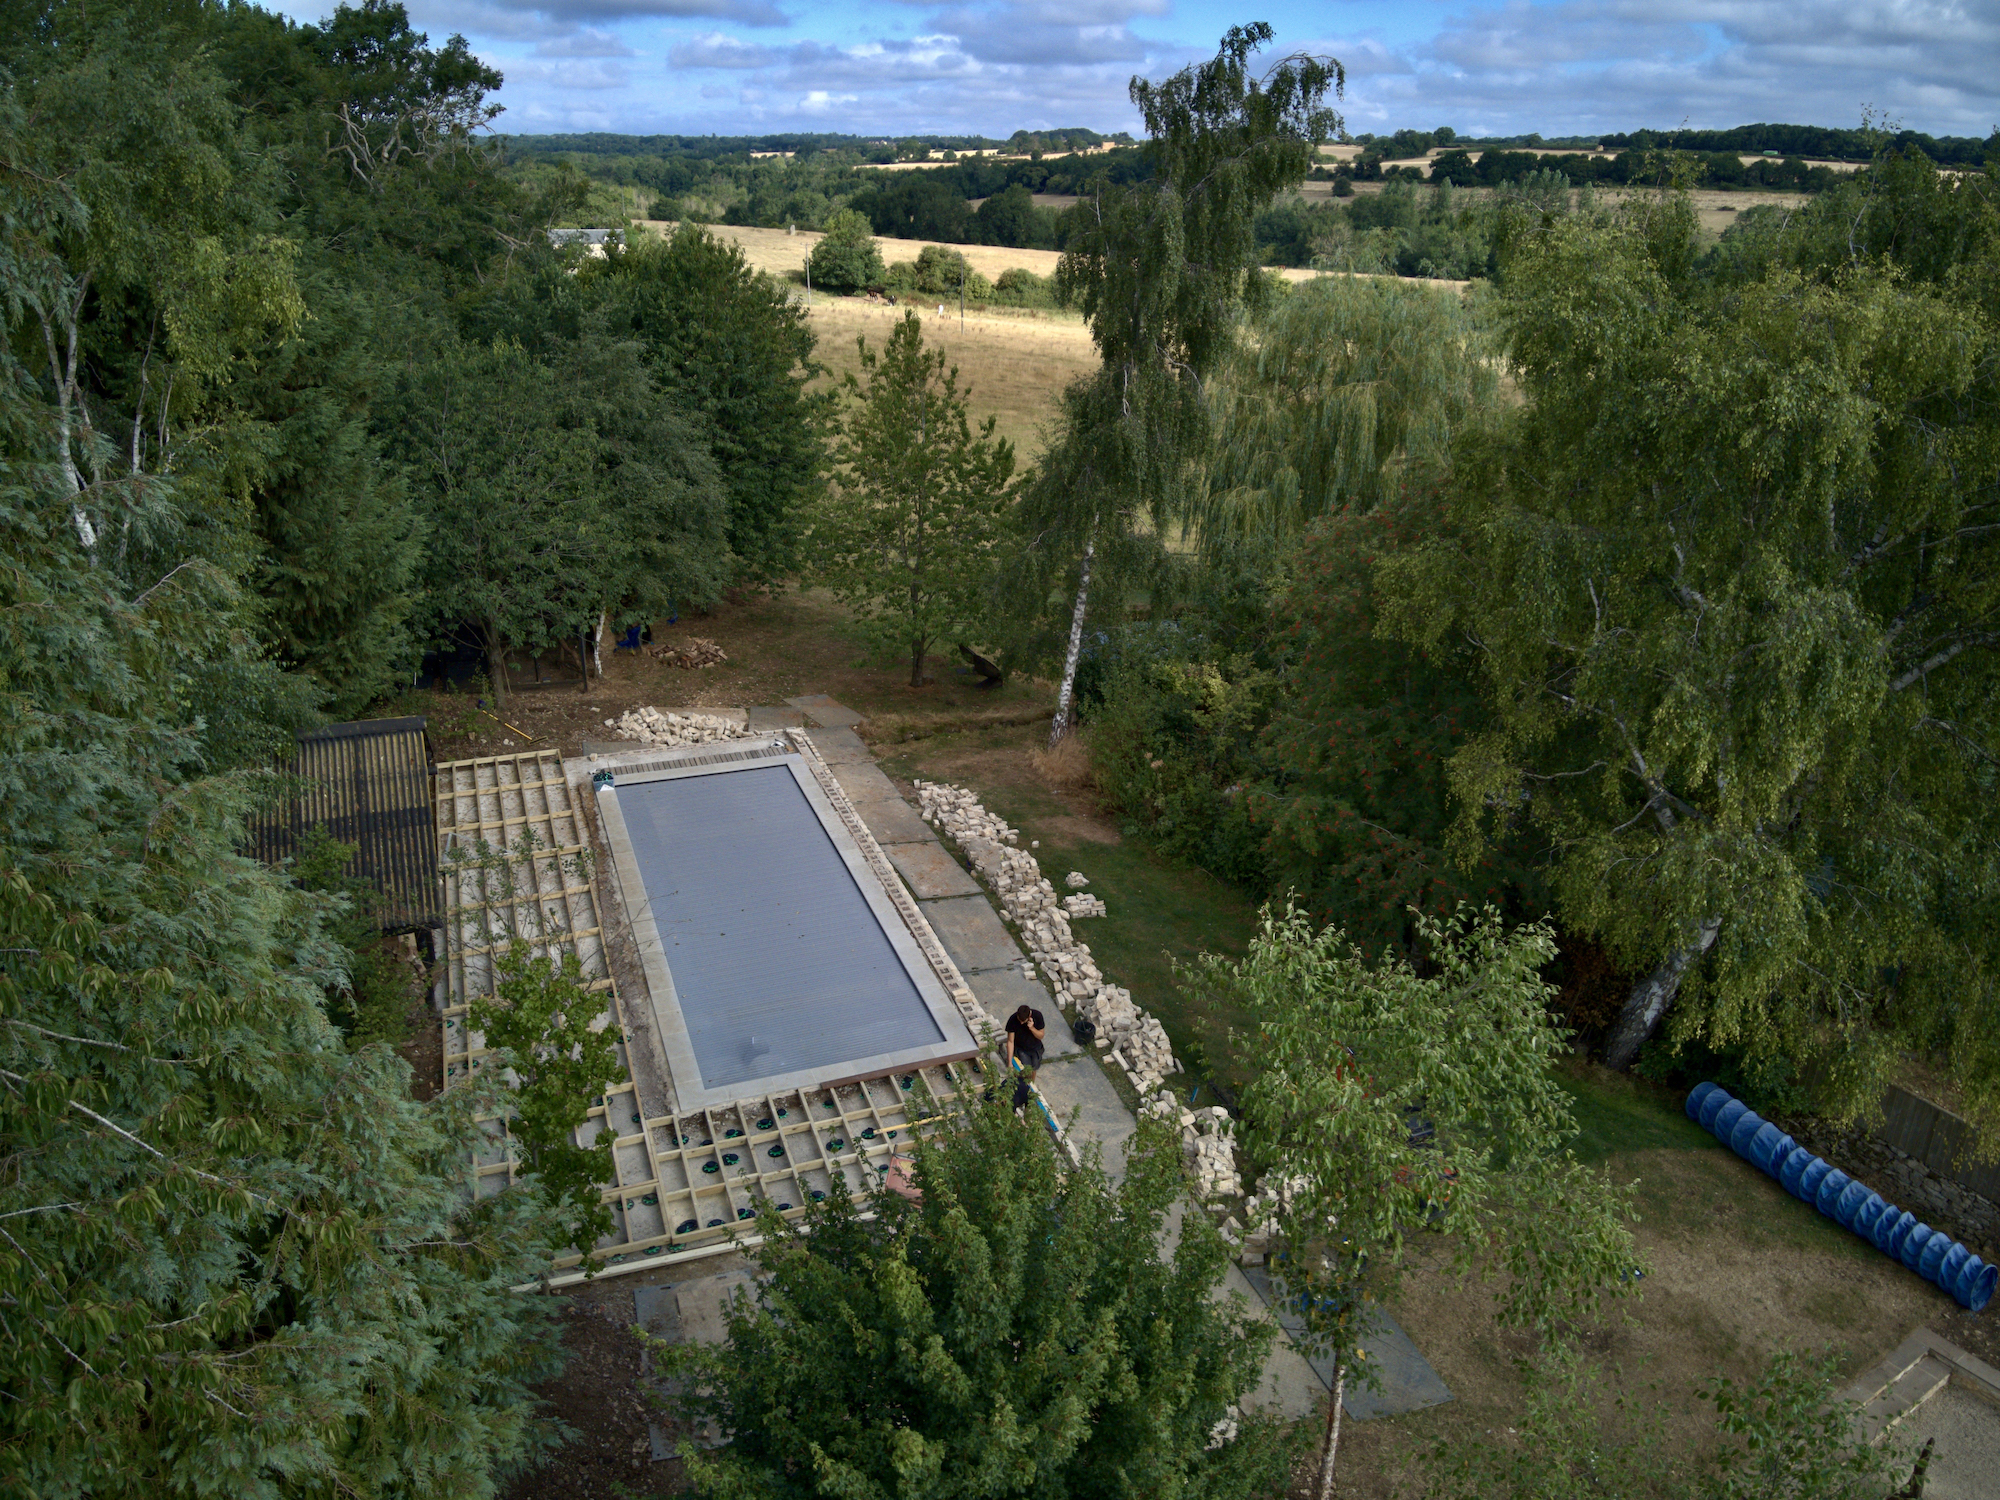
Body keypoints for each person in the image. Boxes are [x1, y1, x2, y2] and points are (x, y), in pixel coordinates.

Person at [1002, 1003, 1046, 1075]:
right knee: (1025, 1070)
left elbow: (1041, 1036)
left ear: (1029, 1016)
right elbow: (1010, 1041)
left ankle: (1031, 1083)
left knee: (1034, 1069)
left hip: (1035, 1048)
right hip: (1021, 1049)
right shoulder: (1012, 1020)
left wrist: (1032, 1028)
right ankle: (1024, 1083)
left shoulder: (1038, 1016)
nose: (1021, 1023)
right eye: (1020, 1020)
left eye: (1023, 1021)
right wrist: (1009, 1063)